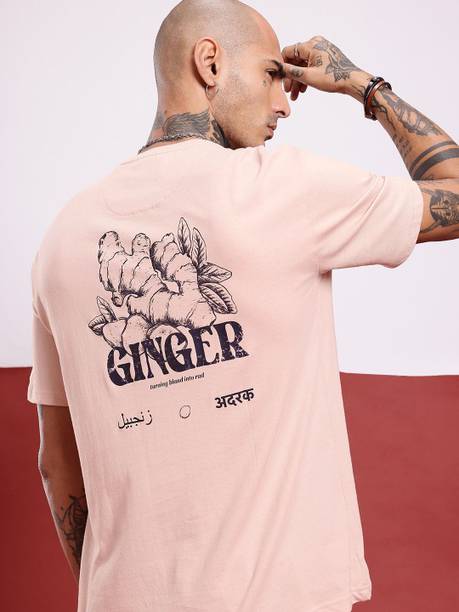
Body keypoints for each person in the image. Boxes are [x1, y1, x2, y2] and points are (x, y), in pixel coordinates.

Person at [27, 0, 459, 610]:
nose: (285, 103)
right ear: (210, 63)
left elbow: (56, 464)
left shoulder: (63, 240)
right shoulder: (281, 188)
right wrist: (362, 86)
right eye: (271, 74)